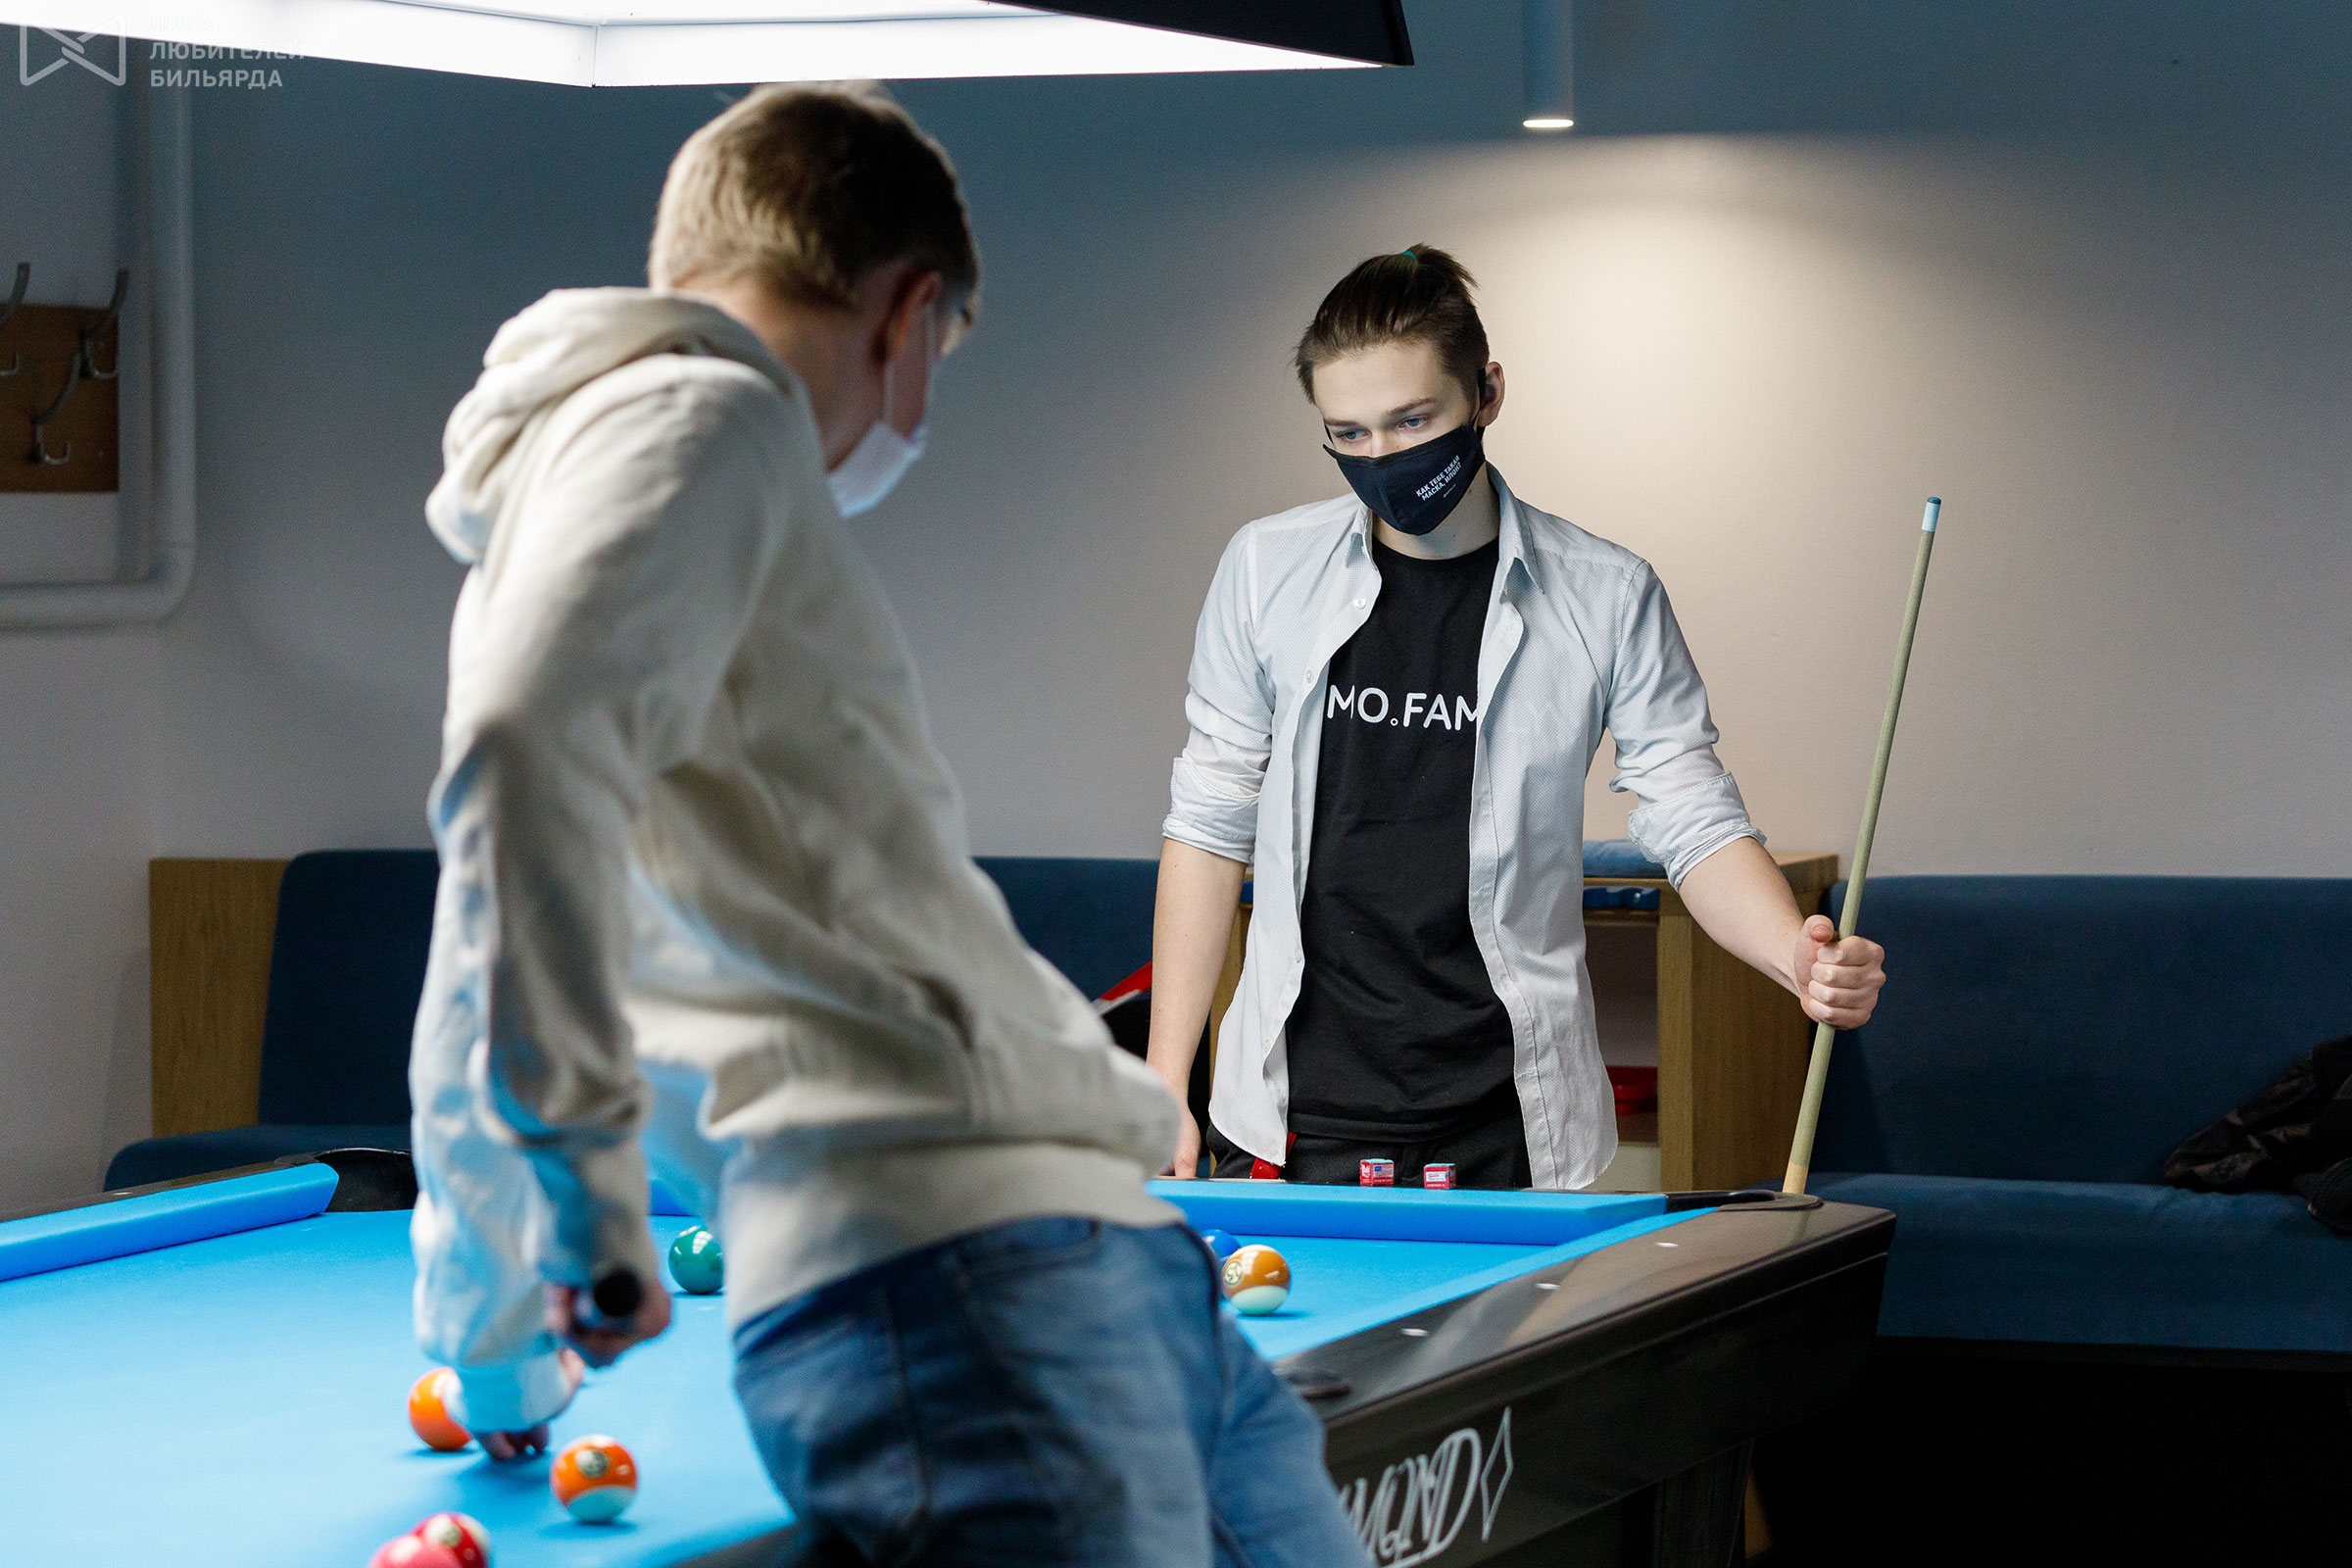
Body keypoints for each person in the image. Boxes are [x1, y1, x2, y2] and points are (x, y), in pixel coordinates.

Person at [409, 84, 1370, 1568]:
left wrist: (493, 1352)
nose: (916, 409)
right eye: (943, 354)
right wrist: (589, 1197)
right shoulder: (702, 412)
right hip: (950, 1285)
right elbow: (520, 757)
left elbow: (476, 969)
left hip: (1082, 1259)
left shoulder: (641, 505)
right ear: (913, 313)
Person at [1146, 246, 1888, 1192]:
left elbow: (1691, 816)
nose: (1383, 459)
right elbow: (1209, 823)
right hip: (1295, 1111)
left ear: (1487, 393)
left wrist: (1795, 956)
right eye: (1349, 434)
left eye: (1413, 420)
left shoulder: (1606, 594)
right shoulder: (1264, 570)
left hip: (1511, 1117)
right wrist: (1164, 1079)